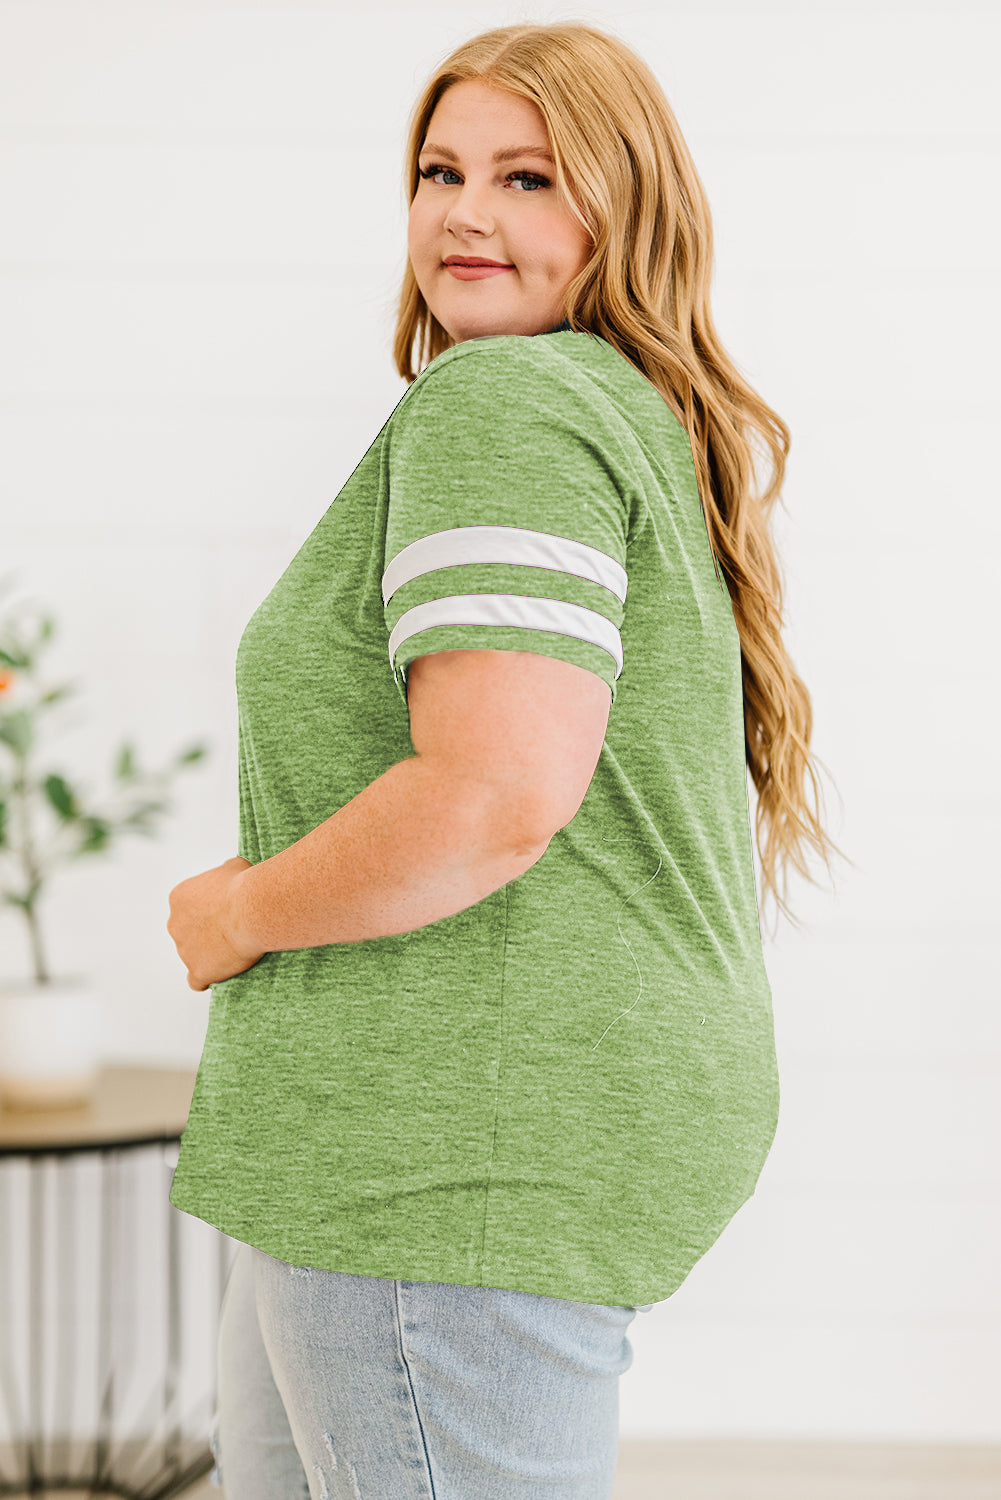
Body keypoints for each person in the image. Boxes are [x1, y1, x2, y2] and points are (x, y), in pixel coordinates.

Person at [166, 19, 843, 1500]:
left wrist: (235, 914)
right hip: (425, 1120)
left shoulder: (509, 405)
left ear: (626, 208)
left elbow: (492, 797)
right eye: (440, 172)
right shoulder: (621, 409)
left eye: (528, 177)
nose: (466, 214)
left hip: (450, 1133)